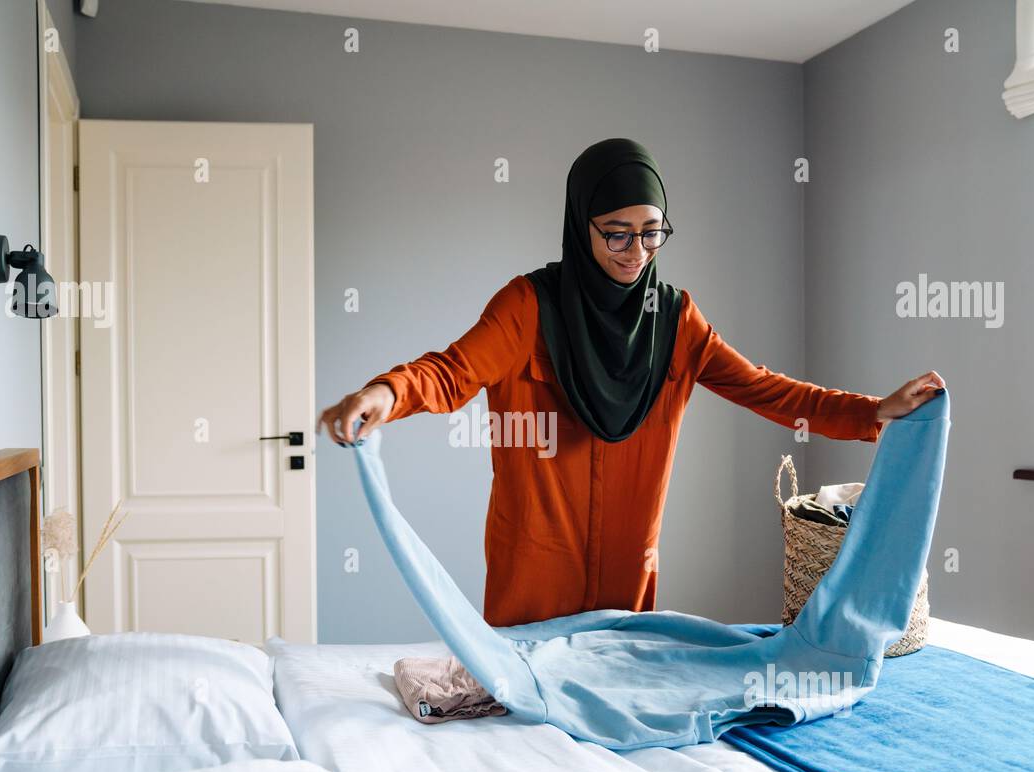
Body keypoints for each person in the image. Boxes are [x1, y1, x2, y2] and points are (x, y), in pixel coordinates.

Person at [318, 138, 944, 627]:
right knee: (528, 734)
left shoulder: (675, 318)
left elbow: (765, 389)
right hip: (534, 567)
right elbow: (449, 372)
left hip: (627, 566)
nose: (636, 250)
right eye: (616, 232)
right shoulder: (528, 306)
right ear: (580, 223)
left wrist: (873, 413)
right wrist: (385, 393)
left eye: (652, 231)